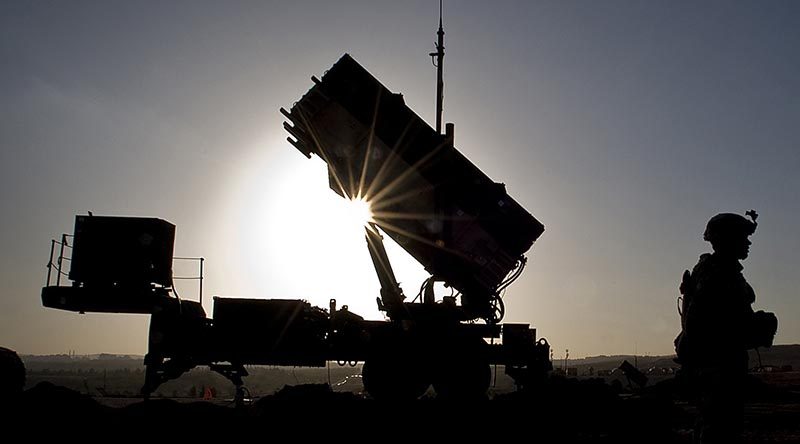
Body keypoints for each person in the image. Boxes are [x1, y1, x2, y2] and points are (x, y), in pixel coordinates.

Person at [675, 210, 777, 443]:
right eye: (743, 237)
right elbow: (714, 329)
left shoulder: (715, 272)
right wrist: (761, 326)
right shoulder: (718, 276)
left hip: (719, 371)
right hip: (718, 373)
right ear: (727, 240)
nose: (748, 242)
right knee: (718, 432)